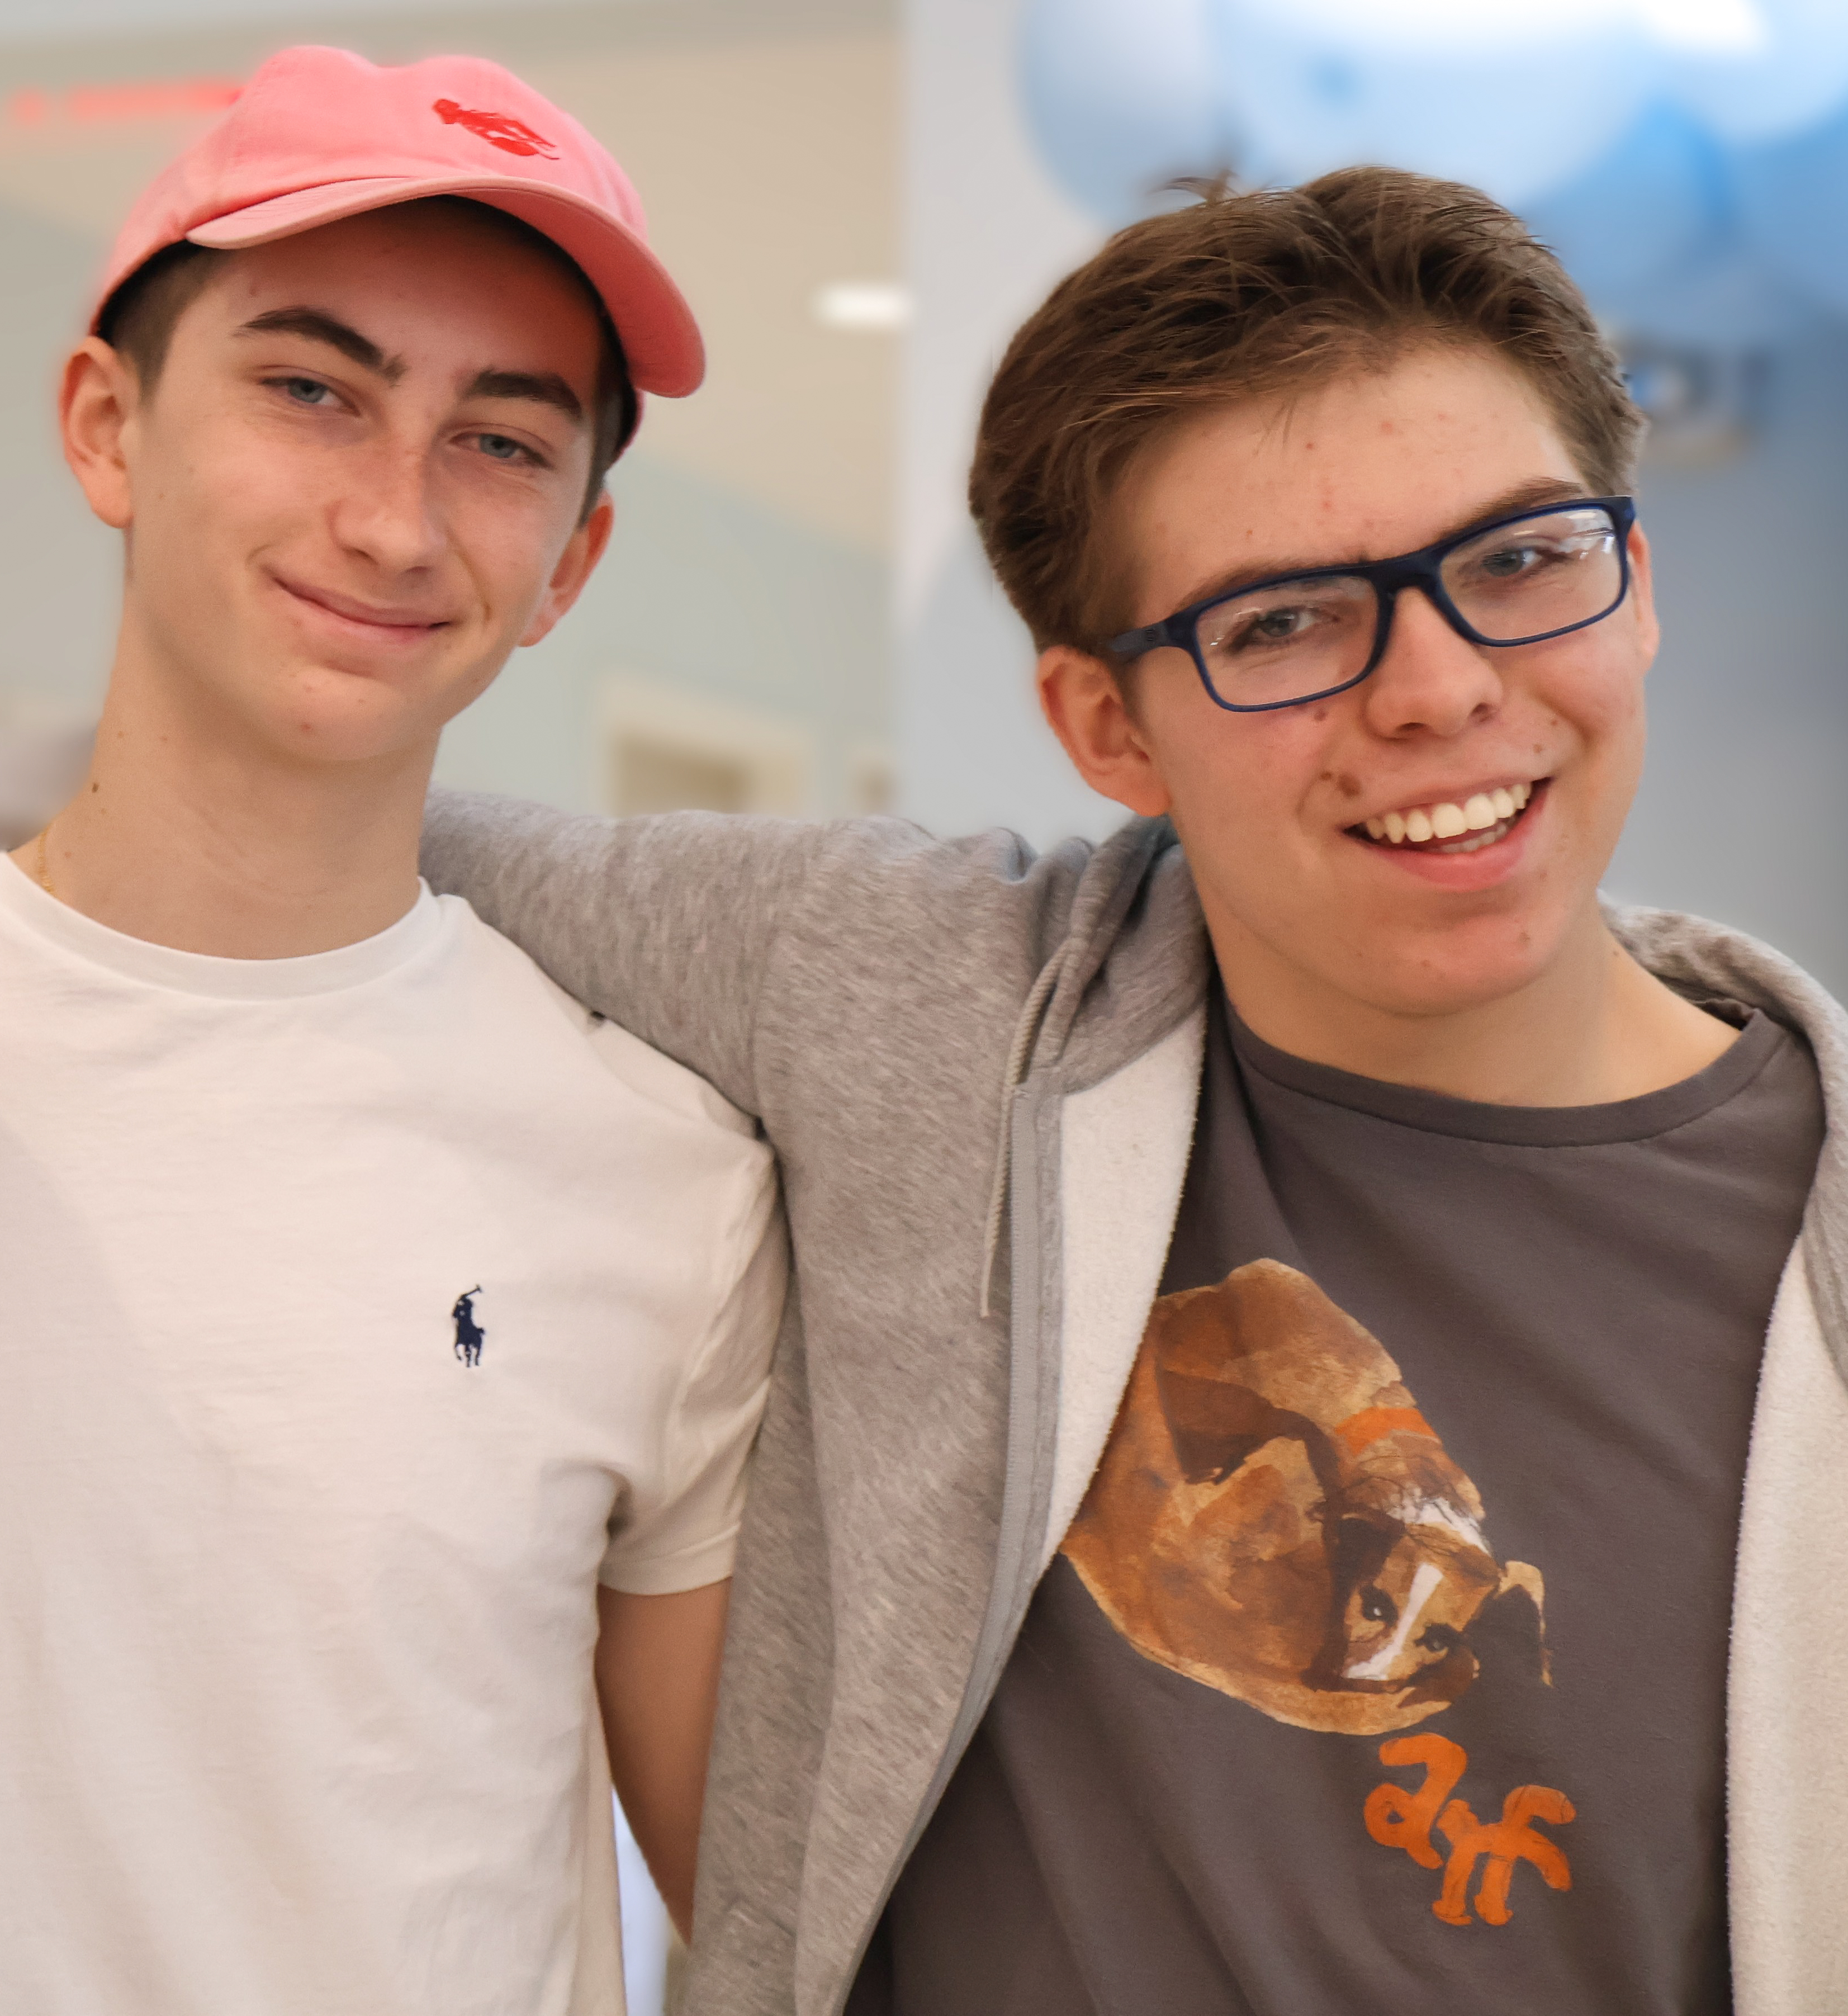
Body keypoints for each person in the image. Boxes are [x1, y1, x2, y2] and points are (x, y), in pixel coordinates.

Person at [421, 169, 1847, 2014]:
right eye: (1279, 625)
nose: (1435, 689)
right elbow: (350, 846)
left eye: (1517, 563)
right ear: (1107, 727)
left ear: (1631, 586)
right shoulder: (922, 1000)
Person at [0, 46, 783, 2016]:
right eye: (312, 392)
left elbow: (766, 1902)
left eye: (500, 440)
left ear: (573, 558)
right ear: (105, 425)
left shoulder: (662, 1175)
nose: (393, 520)